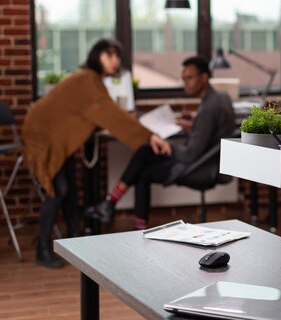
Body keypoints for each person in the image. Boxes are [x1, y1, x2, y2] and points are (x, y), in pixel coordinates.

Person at [22, 38, 171, 269]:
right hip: (44, 135)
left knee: (70, 186)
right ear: (96, 56)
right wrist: (148, 136)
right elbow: (110, 114)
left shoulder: (92, 80)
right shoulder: (86, 79)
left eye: (117, 56)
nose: (115, 61)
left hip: (57, 135)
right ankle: (43, 248)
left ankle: (75, 240)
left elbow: (101, 112)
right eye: (109, 55)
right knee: (58, 189)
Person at [85, 56, 235, 230]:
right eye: (183, 78)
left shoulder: (209, 108)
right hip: (210, 161)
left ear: (204, 77)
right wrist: (193, 127)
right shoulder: (221, 97)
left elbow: (190, 155)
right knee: (146, 151)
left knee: (144, 167)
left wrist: (166, 145)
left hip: (201, 167)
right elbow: (211, 132)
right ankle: (112, 207)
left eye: (189, 78)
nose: (185, 83)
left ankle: (121, 213)